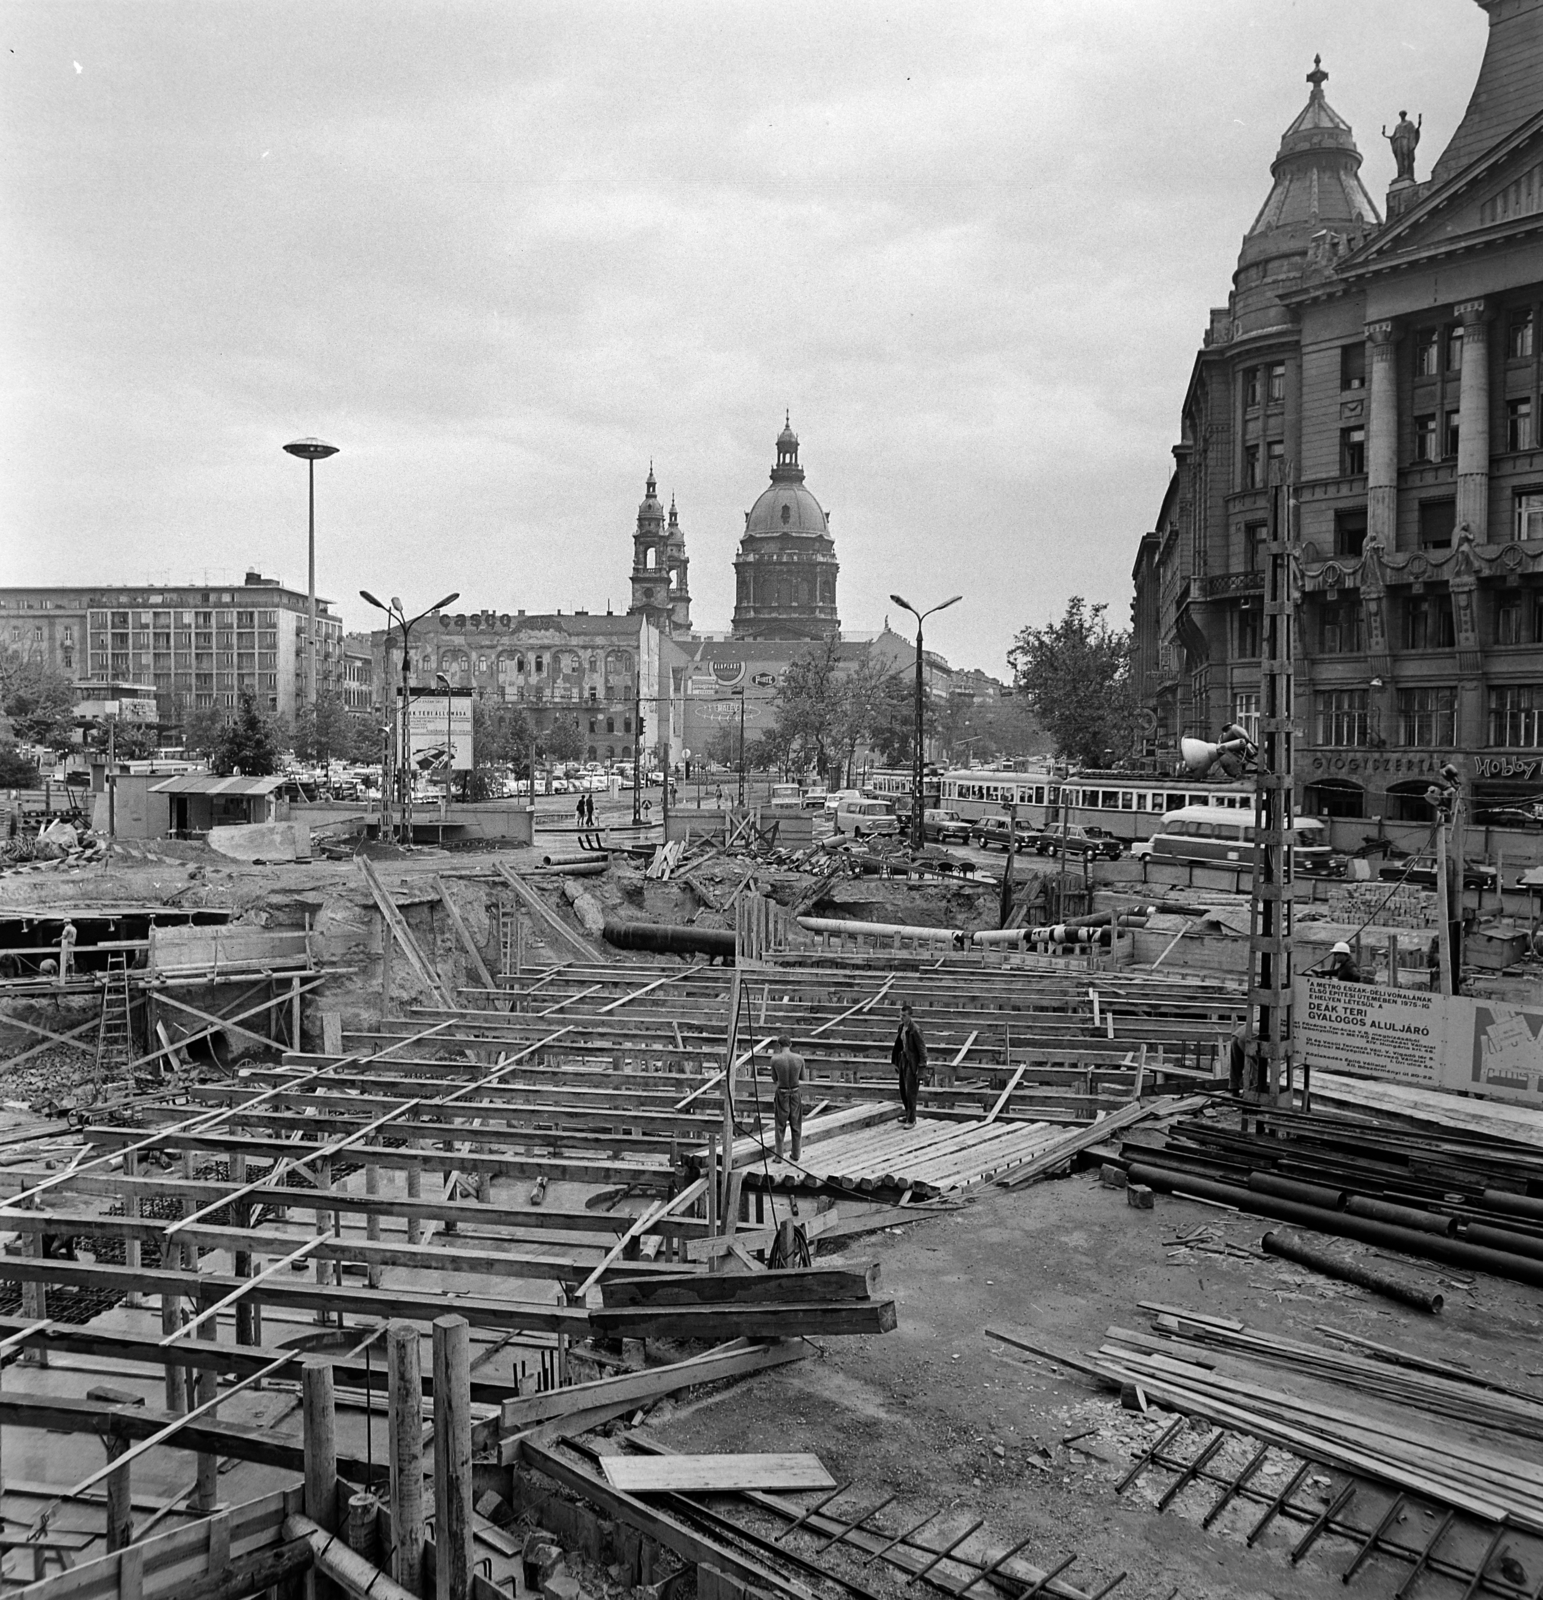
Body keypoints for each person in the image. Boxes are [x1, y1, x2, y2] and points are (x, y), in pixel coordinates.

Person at [766, 1034, 805, 1163]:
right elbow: (803, 1078)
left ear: (779, 1045)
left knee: (780, 1126)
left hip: (782, 1093)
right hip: (795, 1092)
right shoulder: (799, 1059)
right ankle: (796, 1154)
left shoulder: (775, 1060)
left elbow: (774, 1079)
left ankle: (779, 1156)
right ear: (790, 1044)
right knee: (796, 1125)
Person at [891, 999, 928, 1127]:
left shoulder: (915, 1030)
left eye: (904, 1016)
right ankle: (908, 1115)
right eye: (900, 1015)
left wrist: (921, 1068)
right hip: (903, 1060)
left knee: (911, 1092)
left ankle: (912, 1120)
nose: (901, 1018)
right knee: (902, 1089)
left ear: (910, 1016)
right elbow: (899, 1045)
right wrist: (897, 1062)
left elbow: (922, 1050)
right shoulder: (901, 1027)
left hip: (912, 1063)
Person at [58, 919, 77, 988]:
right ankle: (72, 975)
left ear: (66, 923)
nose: (64, 924)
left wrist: (56, 939)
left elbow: (63, 936)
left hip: (67, 945)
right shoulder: (74, 929)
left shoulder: (67, 928)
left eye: (64, 923)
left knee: (65, 960)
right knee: (71, 960)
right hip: (72, 945)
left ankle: (64, 976)